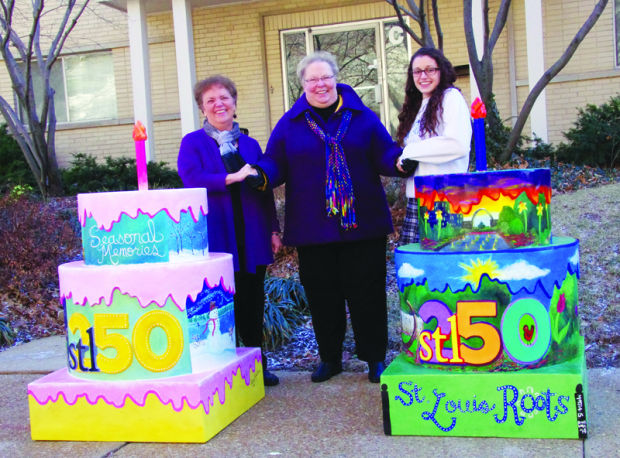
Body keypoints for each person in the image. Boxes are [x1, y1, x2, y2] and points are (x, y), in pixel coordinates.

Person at [256, 51, 403, 383]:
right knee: (323, 296)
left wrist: (399, 161)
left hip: (361, 224)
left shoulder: (362, 117)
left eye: (325, 77)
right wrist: (260, 175)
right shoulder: (290, 124)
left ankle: (374, 358)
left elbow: (384, 152)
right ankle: (330, 358)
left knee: (368, 294)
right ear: (303, 84)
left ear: (336, 78)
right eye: (312, 79)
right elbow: (275, 161)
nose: (320, 85)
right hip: (313, 227)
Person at [177, 75, 282, 386]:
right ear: (202, 108)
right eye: (210, 101)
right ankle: (224, 370)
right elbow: (191, 178)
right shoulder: (193, 143)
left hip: (252, 236)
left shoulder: (249, 144)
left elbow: (264, 190)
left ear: (234, 104)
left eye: (224, 98)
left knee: (252, 303)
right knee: (220, 307)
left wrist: (274, 229)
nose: (218, 104)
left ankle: (256, 366)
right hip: (217, 235)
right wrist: (231, 179)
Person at [396, 47, 472, 244]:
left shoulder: (451, 98)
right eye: (417, 71)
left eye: (430, 69)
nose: (423, 76)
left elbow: (457, 144)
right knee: (417, 269)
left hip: (444, 197)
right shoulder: (419, 105)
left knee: (444, 268)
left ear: (442, 71)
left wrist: (409, 152)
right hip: (418, 198)